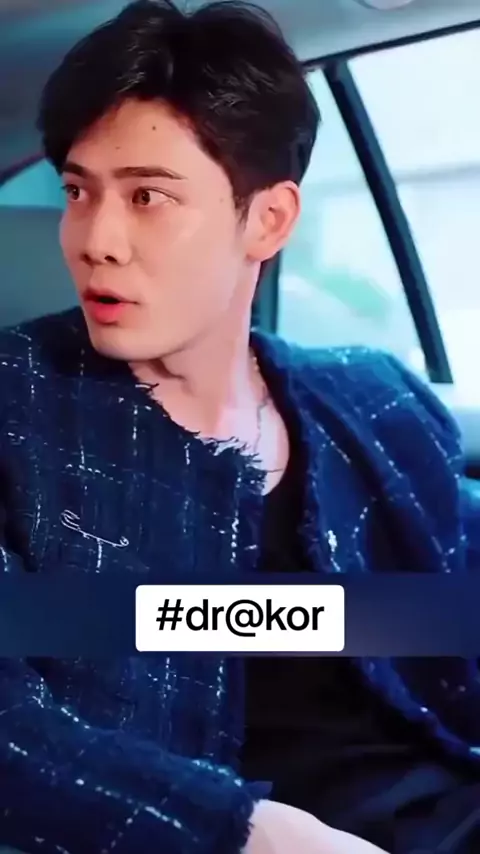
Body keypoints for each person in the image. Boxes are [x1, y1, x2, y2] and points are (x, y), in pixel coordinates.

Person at [0, 0, 478, 852]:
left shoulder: (375, 403)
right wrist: (250, 832)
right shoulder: (19, 408)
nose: (96, 238)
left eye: (148, 196)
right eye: (78, 191)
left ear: (268, 219)